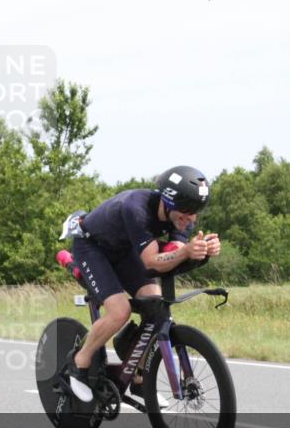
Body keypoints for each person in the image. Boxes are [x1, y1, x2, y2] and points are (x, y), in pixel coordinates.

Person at [63, 166, 221, 402]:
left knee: (154, 303)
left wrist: (200, 251)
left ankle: (138, 376)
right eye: (187, 211)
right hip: (92, 248)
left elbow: (174, 252)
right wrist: (187, 252)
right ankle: (78, 363)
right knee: (120, 311)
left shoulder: (181, 218)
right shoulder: (136, 208)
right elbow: (151, 262)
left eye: (197, 211)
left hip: (124, 251)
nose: (191, 218)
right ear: (167, 202)